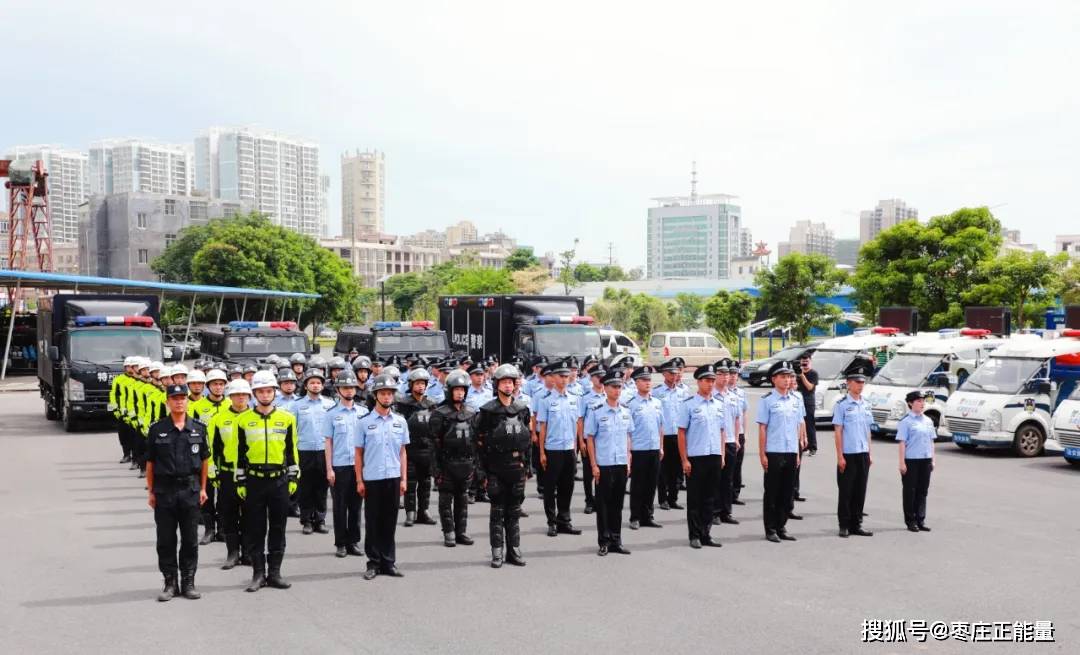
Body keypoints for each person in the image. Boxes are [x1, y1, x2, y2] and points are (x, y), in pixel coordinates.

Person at [235, 371, 299, 591]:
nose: (264, 395)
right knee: (255, 529)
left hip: (279, 481)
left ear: (275, 392)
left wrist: (293, 478)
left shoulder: (287, 418)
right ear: (254, 393)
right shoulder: (243, 420)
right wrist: (241, 482)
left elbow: (292, 451)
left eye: (268, 391)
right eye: (260, 391)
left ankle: (275, 573)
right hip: (254, 482)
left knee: (278, 528)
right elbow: (240, 453)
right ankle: (258, 574)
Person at [145, 383, 209, 601]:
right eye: (175, 398)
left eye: (183, 398)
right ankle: (170, 582)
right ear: (168, 402)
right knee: (166, 540)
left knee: (190, 539)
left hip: (190, 490)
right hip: (164, 491)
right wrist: (151, 492)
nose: (179, 401)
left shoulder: (199, 428)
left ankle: (188, 581)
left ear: (188, 401)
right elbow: (151, 463)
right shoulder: (157, 429)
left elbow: (204, 461)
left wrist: (203, 488)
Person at [355, 374, 409, 580]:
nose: (387, 397)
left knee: (390, 521)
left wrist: (403, 479)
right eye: (383, 394)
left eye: (390, 394)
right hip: (373, 478)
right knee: (373, 521)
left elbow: (403, 452)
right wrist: (359, 480)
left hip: (393, 477)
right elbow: (358, 453)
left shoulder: (400, 422)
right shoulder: (364, 422)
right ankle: (373, 563)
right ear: (375, 396)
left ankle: (389, 562)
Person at [477, 364, 531, 568]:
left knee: (514, 511)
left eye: (512, 382)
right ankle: (497, 552)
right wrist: (482, 473)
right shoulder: (487, 412)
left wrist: (528, 467)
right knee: (497, 511)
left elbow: (528, 442)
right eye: (504, 382)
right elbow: (479, 443)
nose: (509, 386)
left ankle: (514, 550)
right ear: (497, 384)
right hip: (496, 468)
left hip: (516, 467)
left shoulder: (522, 409)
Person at [584, 370, 633, 556]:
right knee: (603, 504)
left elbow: (628, 436)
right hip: (603, 464)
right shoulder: (597, 411)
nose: (617, 390)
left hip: (620, 462)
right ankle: (603, 541)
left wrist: (628, 459)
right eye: (613, 386)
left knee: (617, 505)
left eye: (619, 386)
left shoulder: (626, 411)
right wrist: (594, 465)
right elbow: (590, 439)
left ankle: (616, 540)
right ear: (605, 388)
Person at [677, 363, 725, 549]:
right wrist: (684, 459)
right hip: (696, 457)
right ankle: (695, 534)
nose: (710, 384)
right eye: (706, 380)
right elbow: (681, 433)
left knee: (710, 498)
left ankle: (706, 533)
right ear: (698, 382)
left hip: (713, 455)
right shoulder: (689, 405)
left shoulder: (719, 404)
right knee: (695, 498)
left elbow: (722, 431)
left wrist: (721, 454)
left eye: (712, 380)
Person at [206, 379, 252, 570]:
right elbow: (212, 448)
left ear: (249, 396)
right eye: (236, 395)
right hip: (227, 474)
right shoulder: (219, 419)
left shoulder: (255, 417)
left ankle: (249, 553)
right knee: (229, 515)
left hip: (251, 476)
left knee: (251, 515)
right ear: (230, 397)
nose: (240, 398)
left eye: (243, 394)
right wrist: (212, 471)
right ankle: (232, 553)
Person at [757, 361, 805, 543]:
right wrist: (762, 454)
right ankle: (770, 529)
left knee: (787, 492)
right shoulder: (767, 400)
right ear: (773, 379)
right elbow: (762, 429)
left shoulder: (795, 400)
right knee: (772, 492)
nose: (786, 380)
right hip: (774, 451)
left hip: (791, 451)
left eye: (788, 377)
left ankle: (781, 526)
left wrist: (798, 452)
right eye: (782, 377)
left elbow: (798, 426)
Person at [430, 370, 478, 547]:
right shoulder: (440, 414)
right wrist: (436, 471)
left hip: (466, 463)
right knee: (445, 500)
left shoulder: (471, 413)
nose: (460, 393)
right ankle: (448, 532)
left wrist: (476, 466)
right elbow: (434, 445)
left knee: (462, 500)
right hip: (447, 464)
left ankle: (461, 531)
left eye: (462, 390)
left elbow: (475, 441)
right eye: (456, 389)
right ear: (449, 390)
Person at [536, 358, 582, 537]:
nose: (564, 379)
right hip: (552, 449)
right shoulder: (546, 400)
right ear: (553, 378)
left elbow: (577, 425)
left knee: (567, 486)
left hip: (569, 449)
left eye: (567, 376)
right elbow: (542, 428)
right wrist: (541, 452)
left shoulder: (574, 399)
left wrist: (577, 448)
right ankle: (552, 522)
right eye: (561, 376)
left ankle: (565, 520)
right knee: (550, 487)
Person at [324, 370, 368, 558]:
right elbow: (328, 443)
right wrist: (329, 468)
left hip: (359, 467)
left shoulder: (364, 412)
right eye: (345, 388)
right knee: (340, 506)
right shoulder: (331, 414)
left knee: (356, 506)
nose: (349, 391)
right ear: (338, 390)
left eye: (351, 387)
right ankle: (341, 543)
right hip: (340, 466)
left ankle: (354, 542)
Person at [291, 368, 334, 535]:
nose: (315, 386)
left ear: (323, 386)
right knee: (305, 487)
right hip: (304, 451)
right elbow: (292, 429)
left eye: (318, 383)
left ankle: (320, 519)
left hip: (324, 451)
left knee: (322, 487)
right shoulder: (297, 405)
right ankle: (307, 520)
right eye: (312, 383)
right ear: (306, 386)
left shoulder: (329, 405)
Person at [187, 369, 226, 546]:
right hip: (204, 458)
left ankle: (224, 530)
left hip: (226, 458)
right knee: (206, 496)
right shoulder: (196, 407)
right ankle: (209, 530)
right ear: (207, 386)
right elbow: (189, 434)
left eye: (221, 384)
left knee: (226, 498)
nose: (218, 387)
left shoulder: (230, 405)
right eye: (214, 384)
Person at [833, 372, 874, 538]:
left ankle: (856, 524)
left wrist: (870, 453)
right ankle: (844, 525)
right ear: (848, 383)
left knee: (860, 490)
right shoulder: (841, 405)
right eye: (857, 382)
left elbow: (868, 431)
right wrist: (840, 456)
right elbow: (838, 431)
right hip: (848, 454)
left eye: (862, 382)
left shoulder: (866, 404)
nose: (860, 385)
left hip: (863, 453)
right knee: (846, 491)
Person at [396, 368, 438, 527]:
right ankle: (410, 512)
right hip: (410, 448)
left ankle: (424, 511)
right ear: (411, 384)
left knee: (426, 482)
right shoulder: (403, 404)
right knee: (411, 483)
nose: (421, 386)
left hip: (427, 449)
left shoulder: (431, 404)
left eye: (423, 383)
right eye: (418, 383)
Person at [625, 365, 663, 530]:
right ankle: (635, 516)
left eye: (649, 380)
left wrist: (661, 446)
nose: (648, 383)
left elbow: (660, 426)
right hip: (638, 450)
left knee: (651, 484)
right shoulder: (630, 404)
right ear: (636, 382)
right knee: (638, 485)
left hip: (654, 448)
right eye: (644, 380)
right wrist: (629, 451)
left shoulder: (657, 403)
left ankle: (648, 516)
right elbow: (627, 431)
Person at [897, 390, 935, 532]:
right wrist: (902, 462)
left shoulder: (928, 420)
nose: (922, 403)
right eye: (918, 401)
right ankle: (910, 520)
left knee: (922, 491)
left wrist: (933, 459)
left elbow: (931, 441)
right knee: (910, 491)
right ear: (910, 403)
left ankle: (921, 519)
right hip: (911, 460)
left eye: (923, 401)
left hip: (925, 460)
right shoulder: (906, 422)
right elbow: (902, 443)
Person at [654, 357, 689, 511]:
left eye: (676, 373)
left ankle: (673, 498)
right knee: (663, 470)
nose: (674, 376)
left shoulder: (684, 391)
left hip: (679, 434)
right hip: (664, 435)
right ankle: (663, 499)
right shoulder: (657, 392)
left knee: (677, 469)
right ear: (664, 374)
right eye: (671, 373)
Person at [713, 360, 742, 525]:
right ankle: (714, 512)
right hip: (715, 443)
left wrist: (737, 438)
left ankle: (726, 511)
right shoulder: (712, 396)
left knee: (728, 479)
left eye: (727, 374)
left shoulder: (733, 396)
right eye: (721, 374)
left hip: (730, 440)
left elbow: (737, 418)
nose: (725, 377)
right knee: (716, 479)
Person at [576, 366, 606, 515]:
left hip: (604, 440)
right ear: (591, 378)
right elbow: (580, 420)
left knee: (603, 472)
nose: (600, 379)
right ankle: (589, 500)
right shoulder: (585, 398)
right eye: (596, 376)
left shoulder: (609, 396)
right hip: (589, 440)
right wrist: (581, 441)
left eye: (602, 376)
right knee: (588, 473)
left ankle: (600, 500)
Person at [792, 352, 819, 513]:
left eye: (806, 362)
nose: (804, 365)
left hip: (807, 403)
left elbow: (809, 387)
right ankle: (792, 492)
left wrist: (802, 375)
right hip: (797, 404)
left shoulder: (813, 374)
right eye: (802, 363)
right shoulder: (793, 376)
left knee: (809, 426)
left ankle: (812, 445)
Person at [109, 357, 139, 464]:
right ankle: (126, 454)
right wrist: (115, 409)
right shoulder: (119, 380)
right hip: (122, 412)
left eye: (132, 366)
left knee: (135, 436)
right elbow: (113, 395)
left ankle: (136, 458)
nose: (130, 369)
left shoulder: (138, 380)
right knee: (123, 435)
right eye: (127, 366)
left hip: (135, 413)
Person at [729, 363, 750, 506]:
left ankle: (735, 494)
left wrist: (745, 432)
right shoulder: (718, 393)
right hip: (727, 434)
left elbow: (744, 413)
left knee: (738, 465)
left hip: (739, 433)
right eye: (730, 374)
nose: (732, 377)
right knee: (727, 468)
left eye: (735, 374)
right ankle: (725, 495)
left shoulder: (741, 393)